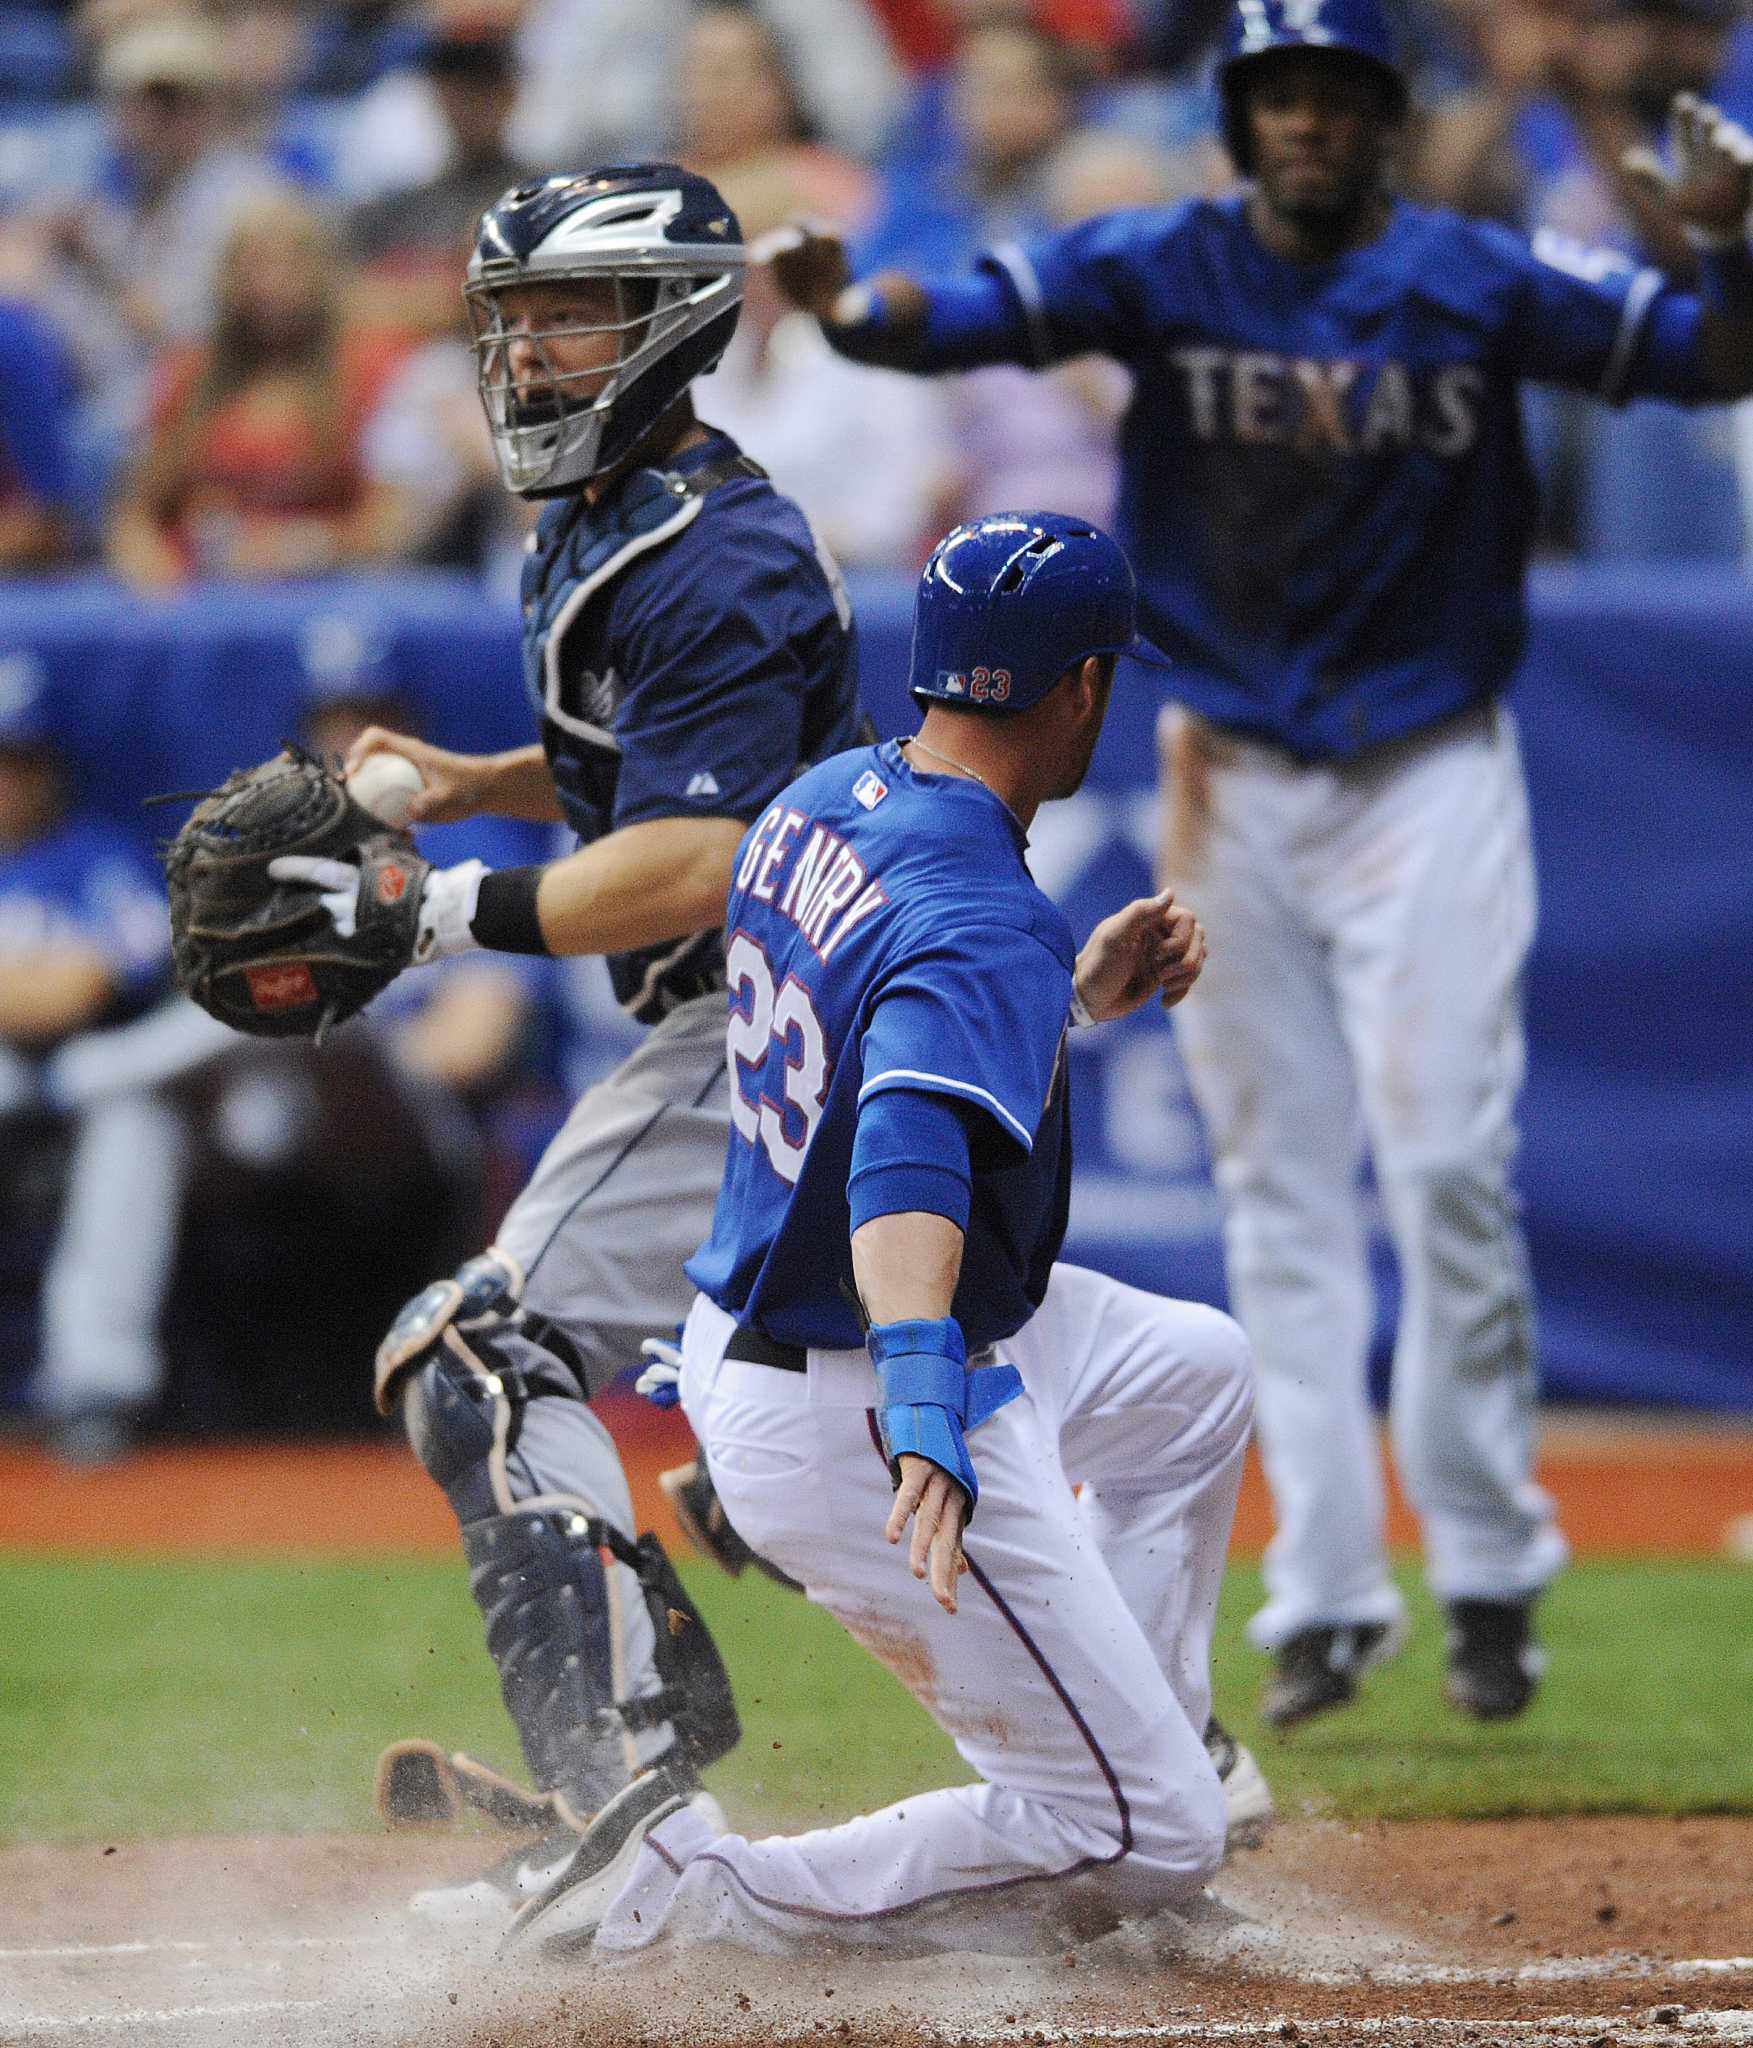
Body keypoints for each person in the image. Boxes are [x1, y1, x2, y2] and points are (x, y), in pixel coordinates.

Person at [763, 0, 1753, 1727]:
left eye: (1333, 93)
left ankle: (1491, 1554)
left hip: (1425, 760)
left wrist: (1732, 235)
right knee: (1277, 1185)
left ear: (1380, 113)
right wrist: (855, 301)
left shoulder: (1470, 269)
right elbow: (973, 312)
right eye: (1275, 92)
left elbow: (1707, 358)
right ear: (1236, 111)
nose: (1301, 121)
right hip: (1226, 760)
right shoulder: (1165, 254)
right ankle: (1323, 1590)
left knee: (1444, 1160)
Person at [500, 512, 1257, 1959]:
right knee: (1157, 1832)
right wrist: (923, 1396)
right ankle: (704, 1899)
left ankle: (1116, 1773)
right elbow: (905, 1154)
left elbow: (878, 1041)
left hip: (779, 1328)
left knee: (1195, 1377)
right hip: (858, 1373)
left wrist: (1072, 999)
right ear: (1082, 688)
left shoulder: (827, 792)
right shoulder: (981, 905)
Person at [273, 164, 866, 1923]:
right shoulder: (614, 511)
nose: (525, 353)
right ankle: (1153, 1751)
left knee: (472, 1345)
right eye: (511, 320)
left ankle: (621, 1791)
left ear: (673, 320)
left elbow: (702, 845)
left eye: (566, 318)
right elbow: (647, 757)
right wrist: (476, 782)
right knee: (858, 1444)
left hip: (767, 1016)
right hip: (786, 1015)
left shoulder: (719, 546)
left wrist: (434, 904)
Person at [105, 195, 409, 591]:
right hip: (201, 595)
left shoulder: (369, 371)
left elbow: (389, 523)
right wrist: (154, 576)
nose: (271, 285)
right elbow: (138, 513)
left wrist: (302, 549)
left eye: (290, 266)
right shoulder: (191, 375)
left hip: (324, 591)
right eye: (253, 266)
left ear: (324, 274)